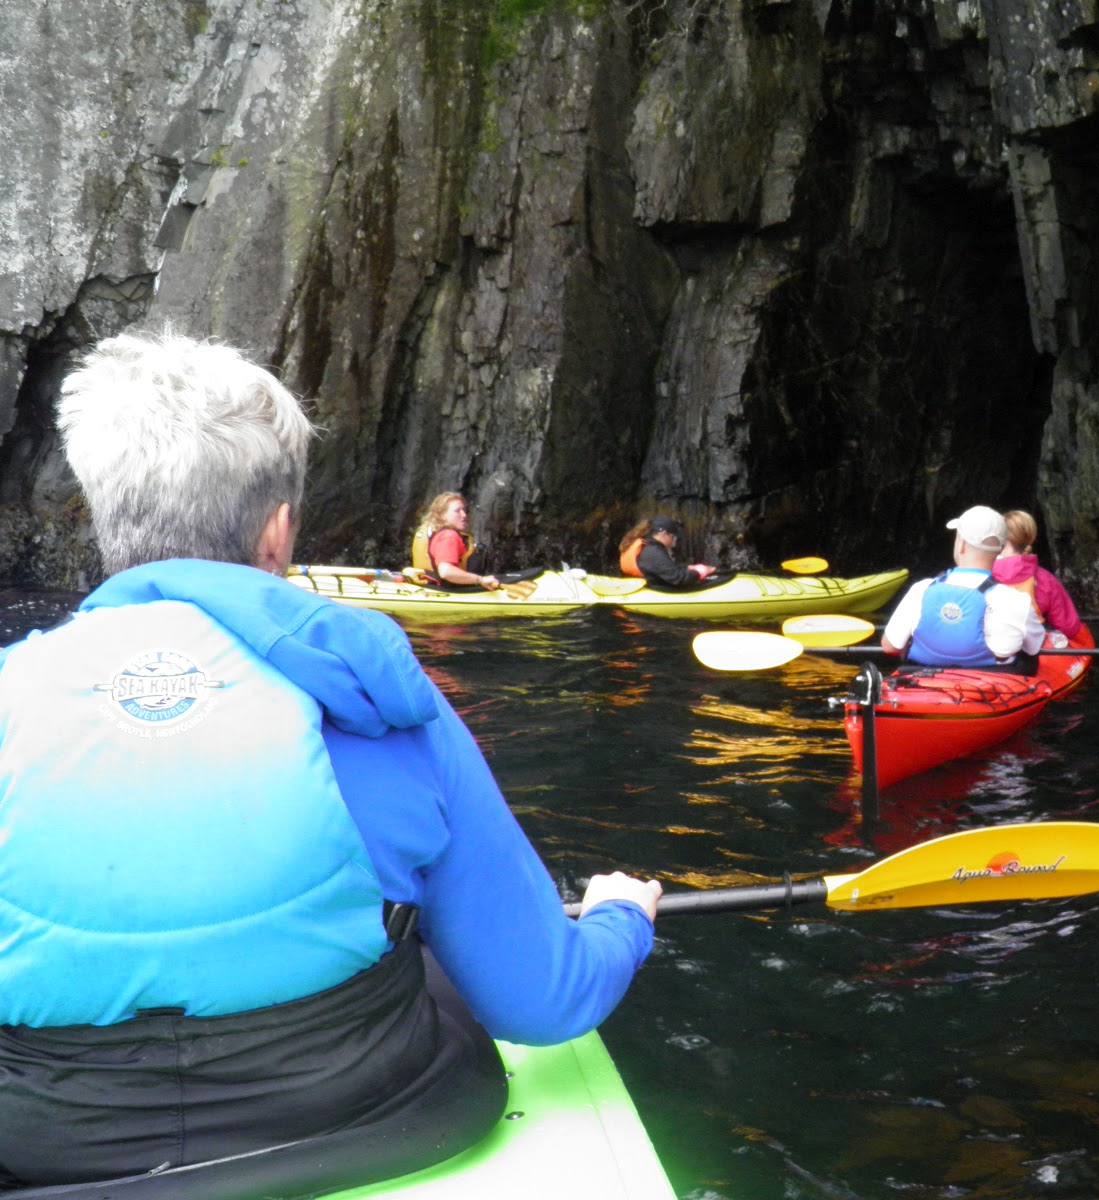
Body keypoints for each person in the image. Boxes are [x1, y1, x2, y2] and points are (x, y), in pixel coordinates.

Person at [0, 331, 661, 1192]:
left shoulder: (15, 693)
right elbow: (544, 1001)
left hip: (40, 1146)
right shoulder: (371, 692)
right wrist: (620, 919)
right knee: (417, 940)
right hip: (363, 1115)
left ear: (105, 517)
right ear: (278, 533)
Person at [880, 505, 1045, 670]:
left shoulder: (921, 590)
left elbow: (890, 646)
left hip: (923, 681)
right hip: (994, 686)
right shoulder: (1017, 600)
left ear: (962, 545)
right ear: (1000, 549)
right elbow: (1033, 649)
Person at [992, 509, 1084, 647]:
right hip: (1033, 650)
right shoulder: (1045, 579)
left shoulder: (985, 576)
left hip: (996, 648)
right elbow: (1067, 626)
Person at [412, 491, 499, 590]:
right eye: (457, 511)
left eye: (464, 510)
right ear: (442, 515)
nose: (464, 515)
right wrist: (480, 580)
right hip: (448, 589)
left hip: (429, 587)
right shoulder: (448, 536)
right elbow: (446, 572)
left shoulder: (434, 532)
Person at [617, 515, 720, 589]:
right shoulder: (653, 552)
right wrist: (701, 571)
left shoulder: (647, 545)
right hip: (653, 591)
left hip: (647, 585)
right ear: (664, 534)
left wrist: (687, 568)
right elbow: (678, 579)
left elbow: (664, 569)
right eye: (673, 536)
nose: (674, 540)